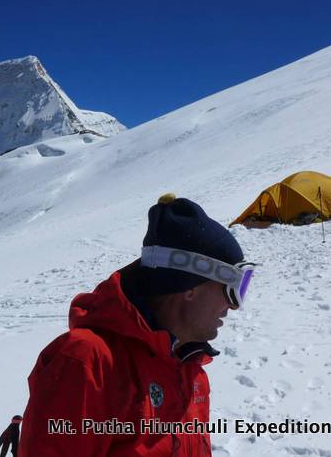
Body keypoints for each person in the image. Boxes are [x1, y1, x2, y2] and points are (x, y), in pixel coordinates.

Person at [19, 194, 254, 456]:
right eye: (233, 288)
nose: (233, 306)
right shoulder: (87, 362)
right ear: (190, 286)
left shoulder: (190, 369)